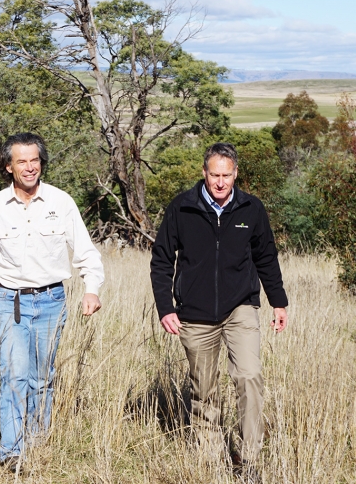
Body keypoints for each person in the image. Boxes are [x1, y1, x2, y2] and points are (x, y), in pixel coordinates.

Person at [0, 132, 104, 472]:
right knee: (14, 376)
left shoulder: (61, 202)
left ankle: (37, 444)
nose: (29, 168)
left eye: (35, 160)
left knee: (42, 377)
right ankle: (12, 452)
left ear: (42, 162)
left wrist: (92, 288)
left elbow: (86, 252)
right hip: (7, 301)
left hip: (51, 300)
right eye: (21, 161)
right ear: (8, 167)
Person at [149, 142, 288, 483]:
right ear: (204, 173)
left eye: (227, 175)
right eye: (215, 175)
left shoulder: (251, 209)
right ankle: (211, 459)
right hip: (194, 314)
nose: (221, 182)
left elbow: (266, 257)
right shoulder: (182, 207)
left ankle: (249, 460)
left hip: (240, 307)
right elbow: (162, 261)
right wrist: (166, 308)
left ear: (236, 174)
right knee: (204, 389)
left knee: (249, 376)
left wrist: (278, 301)